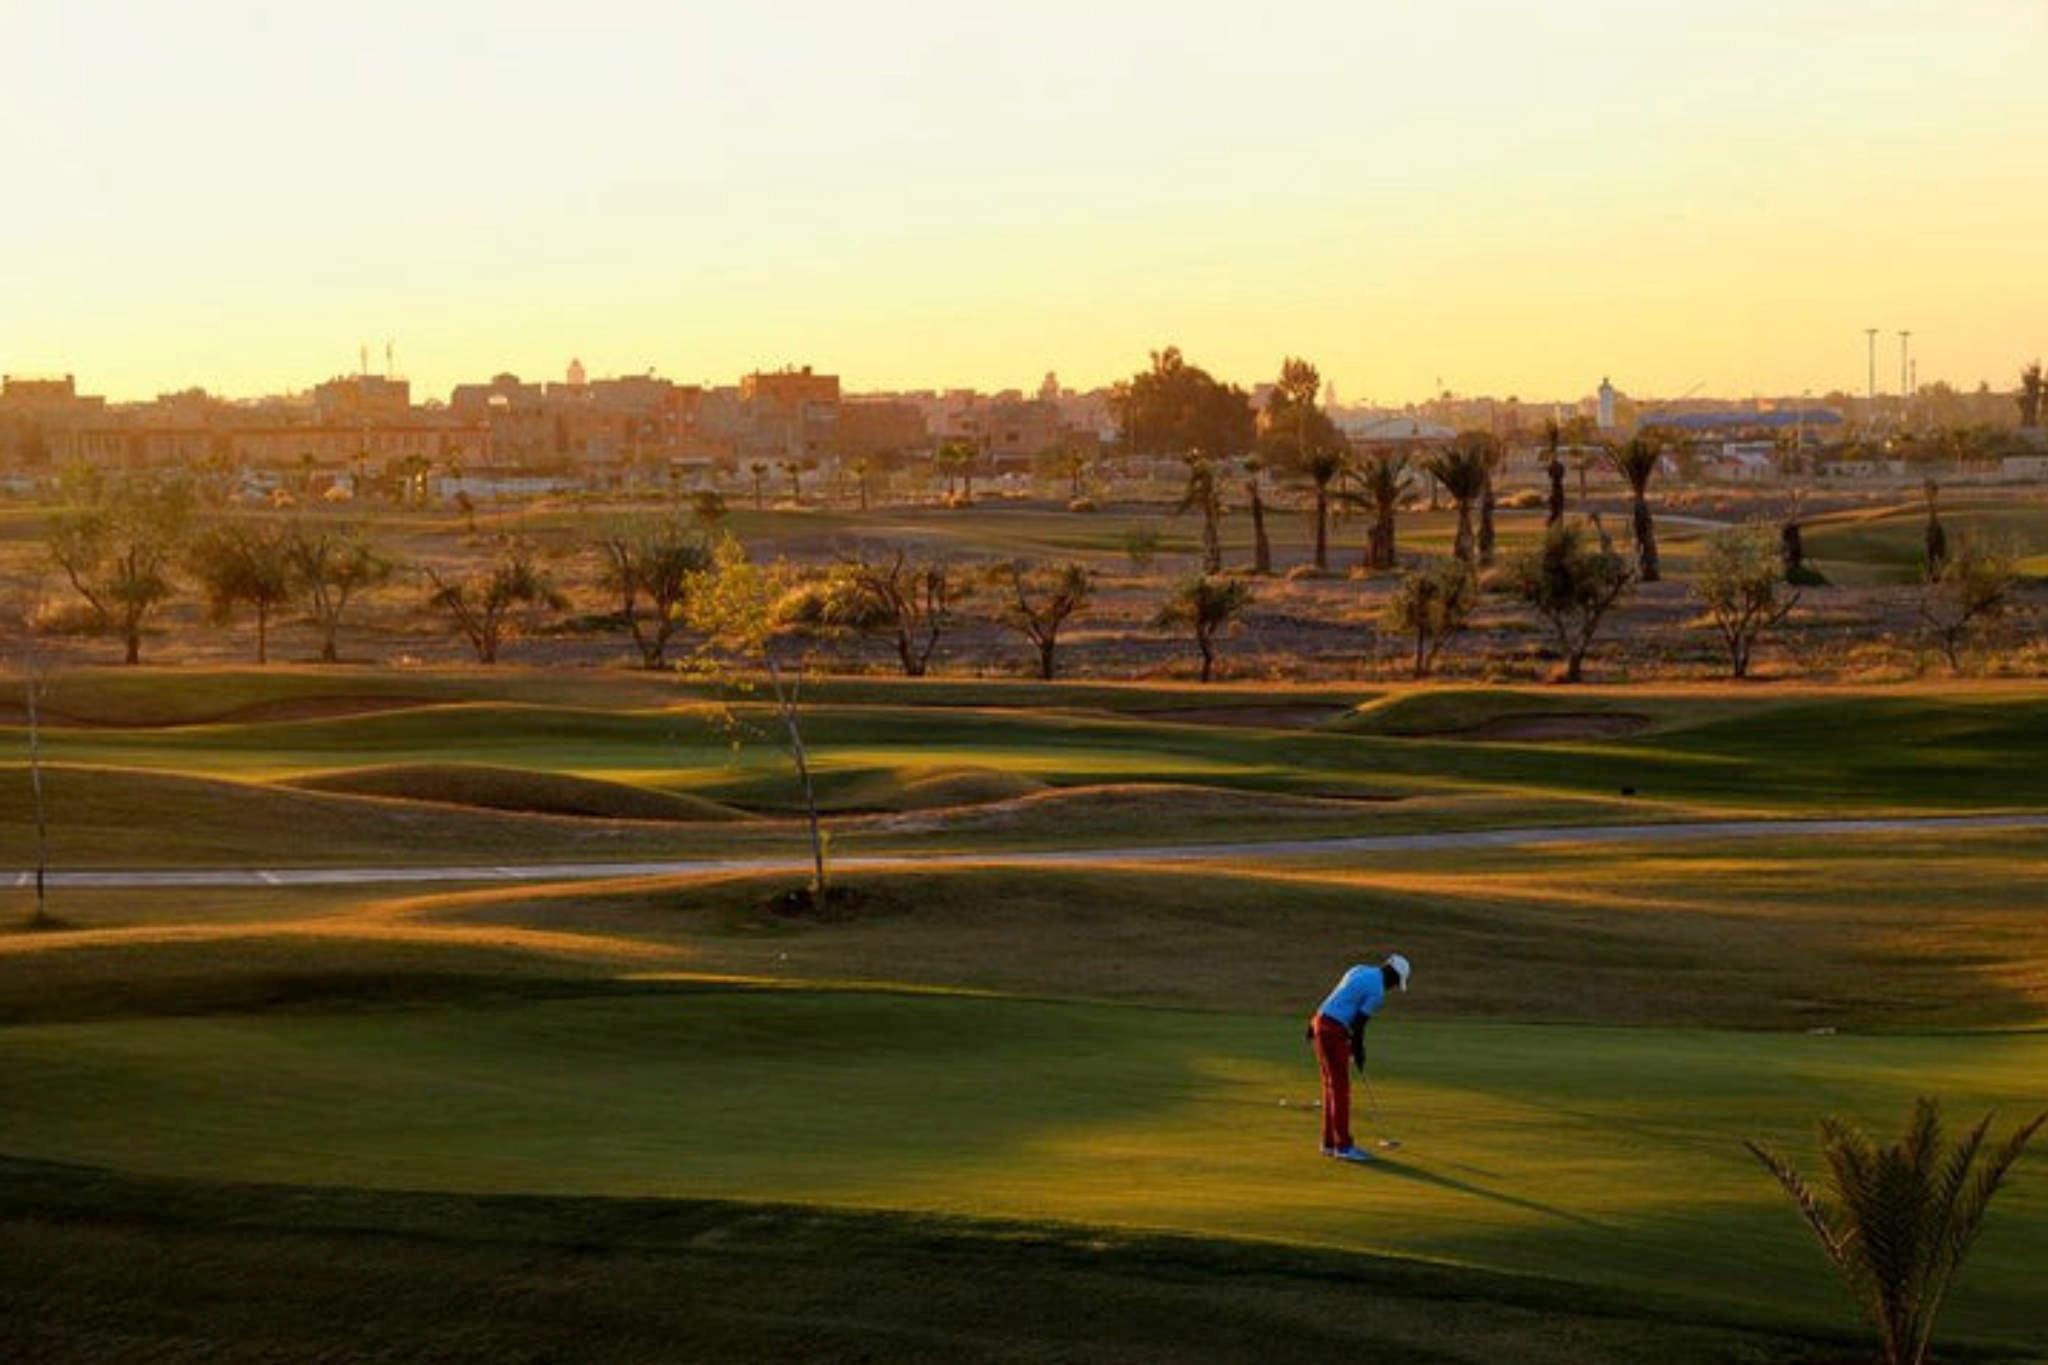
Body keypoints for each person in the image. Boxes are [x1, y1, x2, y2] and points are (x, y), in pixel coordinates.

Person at [1307, 955, 1410, 1161]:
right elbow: (1358, 1024)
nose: (1393, 988)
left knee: (1330, 1088)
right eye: (1397, 983)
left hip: (1319, 1023)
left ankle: (1329, 1143)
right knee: (1341, 1091)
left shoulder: (1359, 969)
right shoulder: (1377, 992)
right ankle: (1343, 1147)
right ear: (1392, 975)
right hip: (1334, 1031)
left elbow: (1334, 998)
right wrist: (1359, 1051)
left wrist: (1313, 1025)